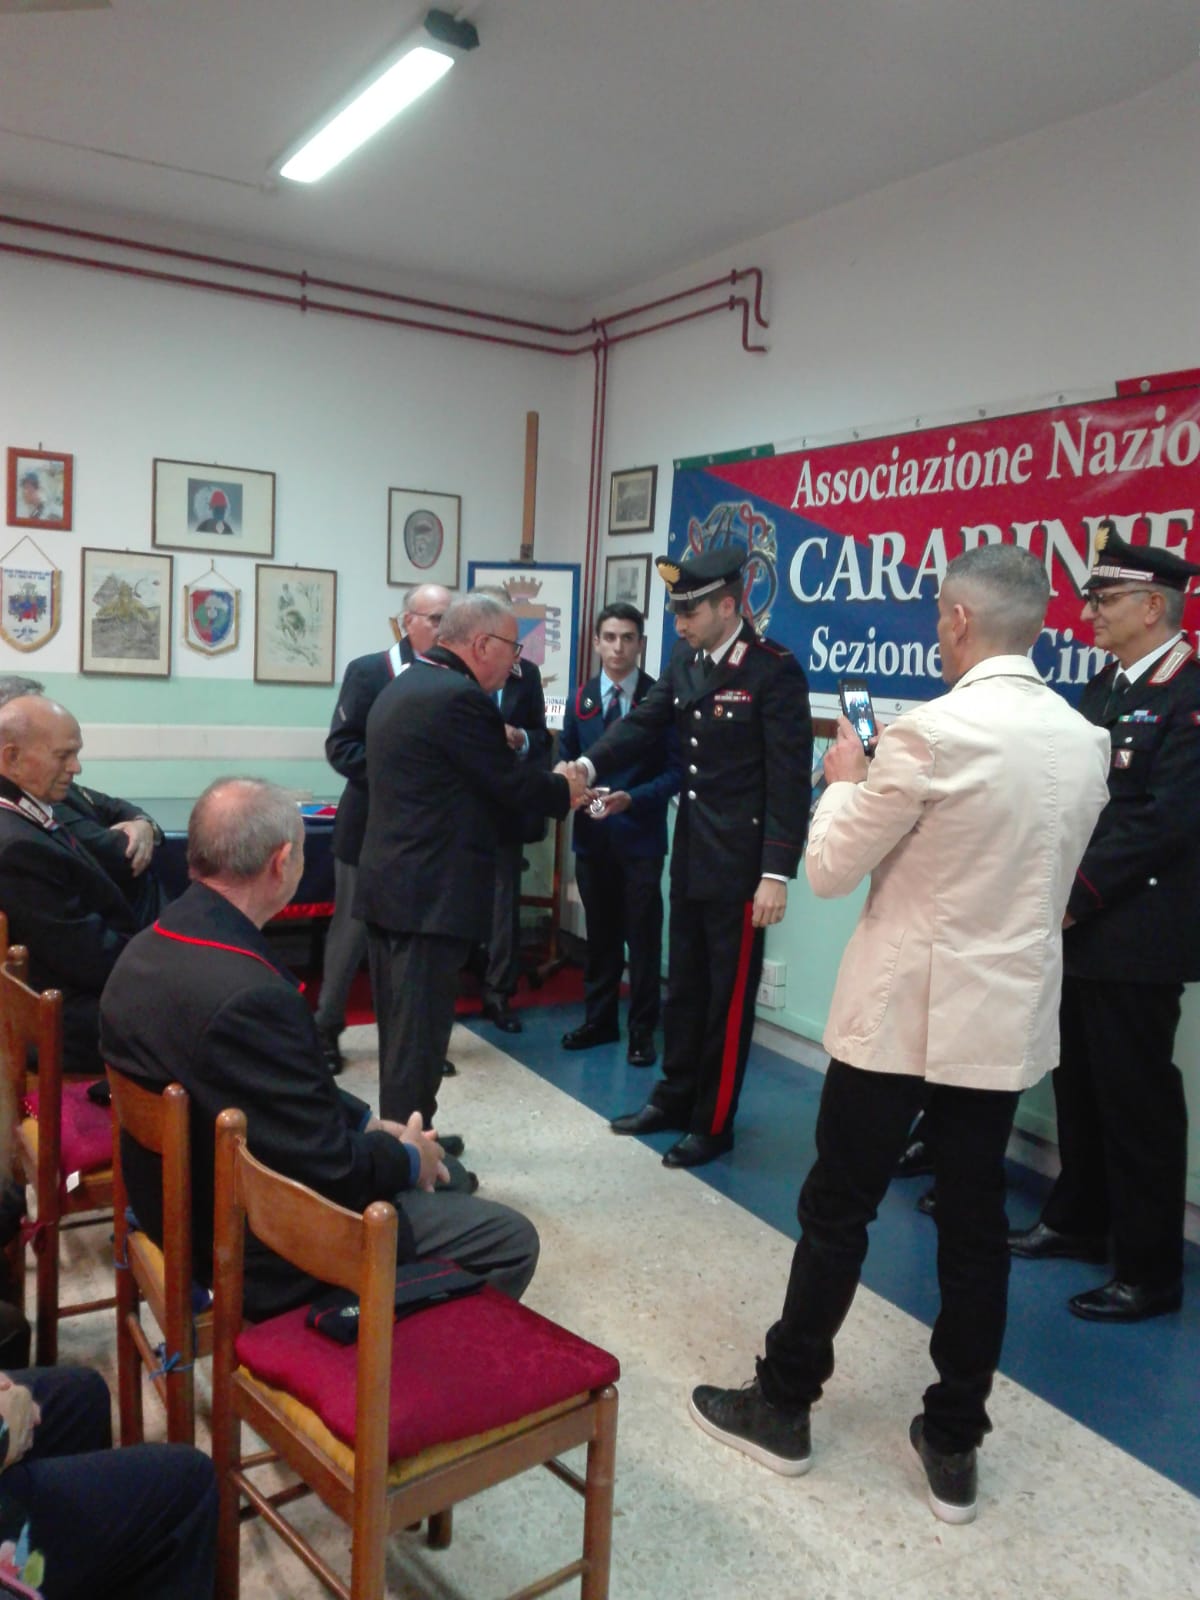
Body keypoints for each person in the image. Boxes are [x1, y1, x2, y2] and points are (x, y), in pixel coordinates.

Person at [687, 545, 1109, 1525]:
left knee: (839, 1210)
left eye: (936, 616)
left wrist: (845, 776)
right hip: (999, 1021)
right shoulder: (1083, 739)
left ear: (958, 620)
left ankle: (783, 1404)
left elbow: (830, 870)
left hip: (900, 1020)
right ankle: (954, 1441)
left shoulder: (929, 734)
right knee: (974, 1233)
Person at [100, 777, 540, 1322]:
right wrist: (404, 1157)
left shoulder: (151, 942)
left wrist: (368, 1125)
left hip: (178, 1200)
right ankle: (378, 1361)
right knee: (508, 1235)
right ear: (282, 863)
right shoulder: (252, 993)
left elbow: (268, 1091)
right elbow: (326, 1169)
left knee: (448, 1171)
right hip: (256, 1246)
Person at [562, 547, 812, 1168]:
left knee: (727, 1001)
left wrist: (776, 873)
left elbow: (787, 781)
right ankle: (673, 1096)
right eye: (676, 611)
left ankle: (713, 1119)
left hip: (744, 868)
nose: (679, 623)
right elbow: (643, 724)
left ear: (729, 605)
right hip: (697, 852)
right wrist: (588, 765)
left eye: (690, 611)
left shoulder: (772, 671)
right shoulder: (686, 661)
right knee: (685, 990)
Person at [1009, 525, 1200, 1322]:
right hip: (1084, 924)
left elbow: (1163, 823)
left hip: (1139, 934)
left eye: (1106, 599)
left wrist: (1071, 894)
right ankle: (1079, 1219)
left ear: (1152, 606)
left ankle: (1149, 1270)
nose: (1090, 612)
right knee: (1079, 1086)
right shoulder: (1110, 685)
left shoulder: (1189, 694)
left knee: (1135, 1100)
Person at [356, 593, 588, 1132]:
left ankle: (413, 1138)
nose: (518, 662)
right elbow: (505, 784)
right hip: (426, 898)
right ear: (482, 644)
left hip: (393, 886)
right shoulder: (460, 700)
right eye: (514, 647)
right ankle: (410, 1163)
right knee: (419, 1040)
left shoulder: (408, 683)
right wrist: (563, 787)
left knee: (402, 1035)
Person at [316, 585, 451, 1073]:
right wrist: (401, 770)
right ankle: (325, 1030)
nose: (442, 627)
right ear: (407, 621)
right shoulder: (370, 671)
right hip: (368, 827)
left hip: (426, 836)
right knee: (350, 935)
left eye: (448, 618)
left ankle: (410, 1044)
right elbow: (341, 748)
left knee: (413, 944)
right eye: (435, 618)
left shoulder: (452, 677)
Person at [558, 602, 680, 1065]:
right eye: (609, 637)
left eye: (628, 638)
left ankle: (642, 1031)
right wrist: (576, 791)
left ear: (641, 644)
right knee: (601, 935)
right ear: (595, 642)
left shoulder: (659, 699)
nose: (618, 647)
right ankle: (599, 1020)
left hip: (640, 838)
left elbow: (675, 774)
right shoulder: (581, 699)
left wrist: (633, 798)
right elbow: (566, 761)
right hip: (592, 837)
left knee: (643, 939)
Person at [0, 696, 146, 1074]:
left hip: (64, 990)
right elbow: (91, 959)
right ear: (11, 757)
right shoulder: (17, 846)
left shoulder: (24, 810)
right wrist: (160, 967)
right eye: (64, 755)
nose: (76, 767)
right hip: (62, 1016)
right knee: (204, 1014)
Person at [0, 676, 166, 927]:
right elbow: (120, 855)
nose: (76, 767)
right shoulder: (22, 825)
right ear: (13, 751)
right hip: (133, 934)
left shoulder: (49, 783)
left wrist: (143, 825)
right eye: (63, 755)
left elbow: (114, 806)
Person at [479, 647, 553, 1034]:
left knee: (504, 902)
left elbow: (542, 739)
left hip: (506, 807)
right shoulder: (458, 671)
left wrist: (521, 738)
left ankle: (498, 992)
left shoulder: (526, 675)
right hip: (460, 808)